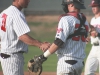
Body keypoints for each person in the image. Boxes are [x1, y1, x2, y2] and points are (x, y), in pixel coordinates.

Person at [37, 0, 89, 75]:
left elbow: (59, 42)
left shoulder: (66, 19)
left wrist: (42, 57)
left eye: (67, 4)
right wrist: (51, 46)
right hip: (79, 63)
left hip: (66, 63)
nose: (66, 5)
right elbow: (69, 40)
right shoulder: (85, 21)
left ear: (71, 5)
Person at [0, 0, 50, 75]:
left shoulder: (4, 13)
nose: (28, 1)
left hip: (6, 54)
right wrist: (40, 45)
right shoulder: (16, 14)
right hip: (13, 57)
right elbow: (22, 36)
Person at [84, 0, 100, 75]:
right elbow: (92, 33)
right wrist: (89, 38)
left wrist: (98, 34)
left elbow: (97, 33)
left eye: (95, 6)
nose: (93, 8)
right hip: (94, 48)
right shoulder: (93, 20)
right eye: (92, 7)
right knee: (88, 72)